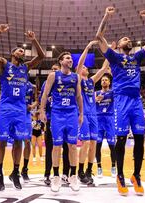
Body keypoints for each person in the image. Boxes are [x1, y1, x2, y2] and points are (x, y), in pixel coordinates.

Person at [96, 6, 145, 196]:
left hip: (136, 101)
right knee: (121, 141)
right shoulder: (114, 57)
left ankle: (136, 175)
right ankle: (120, 175)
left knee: (139, 140)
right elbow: (99, 36)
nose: (128, 40)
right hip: (121, 101)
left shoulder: (137, 57)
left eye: (129, 39)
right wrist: (106, 15)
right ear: (120, 44)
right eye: (125, 39)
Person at [0, 24, 45, 191]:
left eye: (23, 51)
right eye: (19, 50)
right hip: (5, 109)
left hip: (20, 110)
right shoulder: (4, 64)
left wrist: (34, 41)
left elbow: (41, 55)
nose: (22, 52)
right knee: (2, 142)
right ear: (12, 53)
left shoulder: (25, 68)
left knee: (19, 142)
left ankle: (16, 172)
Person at [40, 52, 83, 193]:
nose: (70, 60)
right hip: (57, 114)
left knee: (72, 146)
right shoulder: (53, 76)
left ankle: (73, 176)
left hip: (71, 114)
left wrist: (81, 113)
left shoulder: (76, 77)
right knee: (56, 146)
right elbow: (45, 94)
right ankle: (56, 177)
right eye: (67, 58)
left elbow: (78, 96)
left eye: (71, 58)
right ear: (60, 61)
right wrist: (41, 111)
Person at [75, 40, 109, 184]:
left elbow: (103, 69)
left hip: (93, 114)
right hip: (83, 115)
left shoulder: (91, 81)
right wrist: (87, 47)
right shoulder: (77, 79)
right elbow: (80, 63)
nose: (86, 68)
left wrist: (109, 52)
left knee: (94, 143)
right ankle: (80, 171)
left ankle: (89, 170)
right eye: (83, 67)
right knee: (86, 143)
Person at [95, 74, 117, 178]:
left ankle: (113, 166)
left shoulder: (112, 92)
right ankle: (99, 168)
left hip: (109, 120)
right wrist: (95, 100)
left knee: (112, 145)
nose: (104, 81)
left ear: (109, 82)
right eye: (102, 80)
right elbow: (90, 104)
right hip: (98, 120)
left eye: (106, 80)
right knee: (97, 145)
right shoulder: (96, 93)